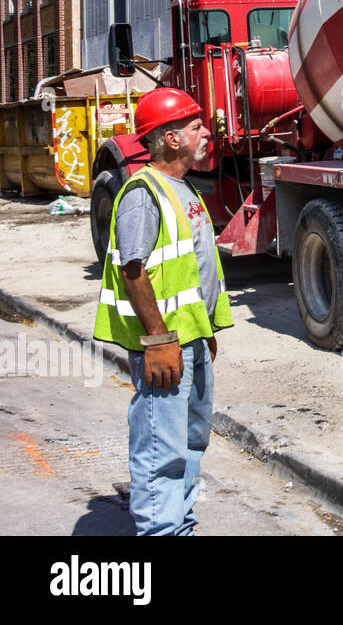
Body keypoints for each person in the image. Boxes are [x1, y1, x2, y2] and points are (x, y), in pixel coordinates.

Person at [94, 88, 232, 534]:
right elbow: (132, 269)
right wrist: (157, 340)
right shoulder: (142, 192)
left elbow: (189, 269)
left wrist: (206, 330)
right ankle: (161, 531)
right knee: (161, 447)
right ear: (171, 139)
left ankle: (181, 525)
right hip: (164, 345)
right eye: (195, 127)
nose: (206, 133)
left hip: (191, 338)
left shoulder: (183, 187)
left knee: (192, 440)